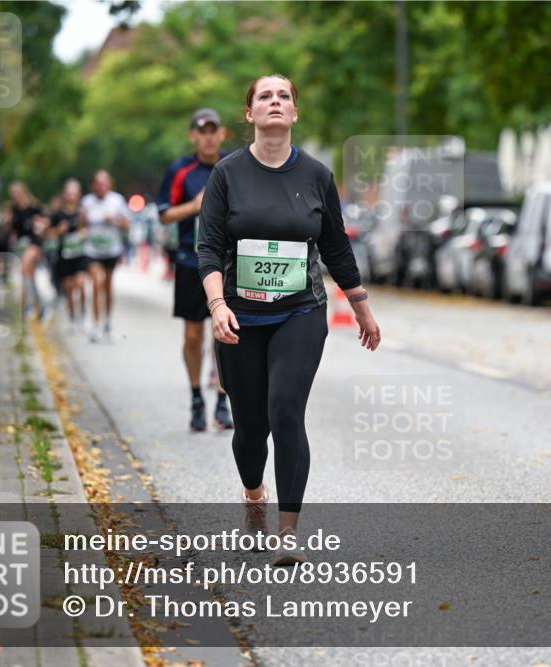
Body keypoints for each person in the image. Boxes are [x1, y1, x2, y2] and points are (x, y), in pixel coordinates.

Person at [197, 74, 381, 565]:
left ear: (294, 113)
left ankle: (288, 531)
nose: (275, 102)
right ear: (250, 113)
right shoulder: (228, 174)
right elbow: (209, 247)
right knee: (250, 428)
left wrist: (361, 307)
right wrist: (218, 306)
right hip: (240, 316)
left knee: (285, 410)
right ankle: (254, 495)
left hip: (300, 311)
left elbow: (336, 246)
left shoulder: (316, 175)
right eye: (265, 96)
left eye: (284, 97)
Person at [158, 108, 234, 432]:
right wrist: (194, 206)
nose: (208, 137)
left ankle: (223, 401)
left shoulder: (235, 165)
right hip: (191, 261)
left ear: (222, 134)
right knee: (193, 335)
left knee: (226, 334)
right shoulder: (180, 170)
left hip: (229, 263)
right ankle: (196, 399)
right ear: (193, 136)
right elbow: (163, 214)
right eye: (202, 131)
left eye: (213, 130)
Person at [81, 170, 130, 342]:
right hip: (92, 250)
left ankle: (107, 322)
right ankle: (96, 324)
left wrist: (114, 220)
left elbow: (126, 225)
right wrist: (82, 222)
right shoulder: (87, 201)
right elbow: (81, 226)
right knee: (96, 282)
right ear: (93, 185)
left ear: (109, 184)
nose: (101, 186)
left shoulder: (117, 200)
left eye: (104, 182)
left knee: (108, 286)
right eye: (98, 183)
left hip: (111, 250)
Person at [49, 179, 88, 335]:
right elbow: (48, 233)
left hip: (80, 254)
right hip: (64, 256)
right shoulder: (58, 214)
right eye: (69, 193)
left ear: (79, 194)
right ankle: (73, 319)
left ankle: (82, 316)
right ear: (65, 194)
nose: (71, 196)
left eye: (74, 193)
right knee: (69, 289)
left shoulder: (82, 212)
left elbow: (88, 230)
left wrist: (83, 230)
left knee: (81, 284)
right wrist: (59, 231)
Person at [8, 182, 48, 320]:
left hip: (34, 243)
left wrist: (42, 225)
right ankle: (41, 304)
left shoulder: (35, 207)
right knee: (29, 275)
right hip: (21, 245)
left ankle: (29, 305)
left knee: (24, 268)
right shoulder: (14, 210)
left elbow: (45, 223)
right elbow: (13, 230)